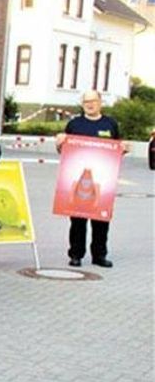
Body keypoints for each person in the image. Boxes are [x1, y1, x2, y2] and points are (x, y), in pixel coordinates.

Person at [55, 90, 130, 268]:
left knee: (101, 220)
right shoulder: (74, 124)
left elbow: (117, 150)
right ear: (82, 104)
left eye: (93, 101)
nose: (90, 104)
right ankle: (76, 255)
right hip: (78, 179)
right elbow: (63, 152)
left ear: (100, 102)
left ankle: (99, 255)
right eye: (86, 101)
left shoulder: (110, 124)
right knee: (78, 221)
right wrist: (59, 144)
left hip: (102, 180)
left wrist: (124, 149)